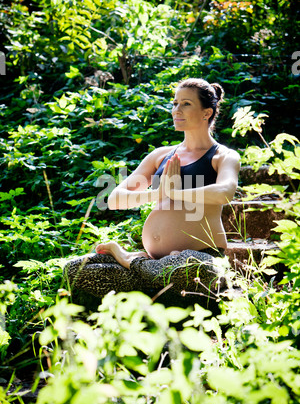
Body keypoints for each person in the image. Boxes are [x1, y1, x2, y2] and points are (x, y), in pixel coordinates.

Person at [64, 78, 240, 305]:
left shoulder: (223, 156)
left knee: (193, 268)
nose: (177, 109)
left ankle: (129, 262)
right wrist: (158, 193)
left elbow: (224, 192)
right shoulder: (161, 155)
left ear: (207, 113)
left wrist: (176, 192)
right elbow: (116, 198)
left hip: (196, 259)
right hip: (157, 261)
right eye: (175, 103)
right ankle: (148, 278)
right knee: (76, 269)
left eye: (186, 104)